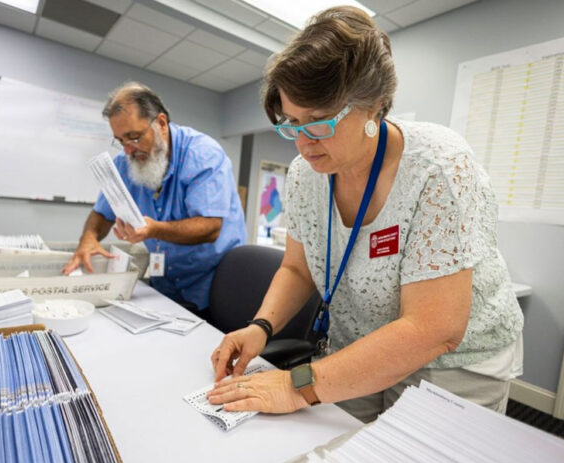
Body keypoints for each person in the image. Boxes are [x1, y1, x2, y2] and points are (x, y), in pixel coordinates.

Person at [208, 6, 523, 422]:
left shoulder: (439, 167)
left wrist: (293, 385)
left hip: (451, 362)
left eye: (319, 122)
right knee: (331, 442)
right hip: (355, 345)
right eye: (292, 122)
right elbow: (298, 269)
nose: (302, 142)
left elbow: (434, 329)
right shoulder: (305, 174)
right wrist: (261, 327)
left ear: (374, 106)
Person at [63, 82, 246, 321]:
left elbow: (210, 227)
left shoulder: (203, 154)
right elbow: (101, 214)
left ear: (161, 123)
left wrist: (153, 229)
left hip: (213, 285)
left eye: (134, 137)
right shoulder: (124, 163)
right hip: (165, 284)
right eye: (120, 141)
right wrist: (88, 239)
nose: (128, 150)